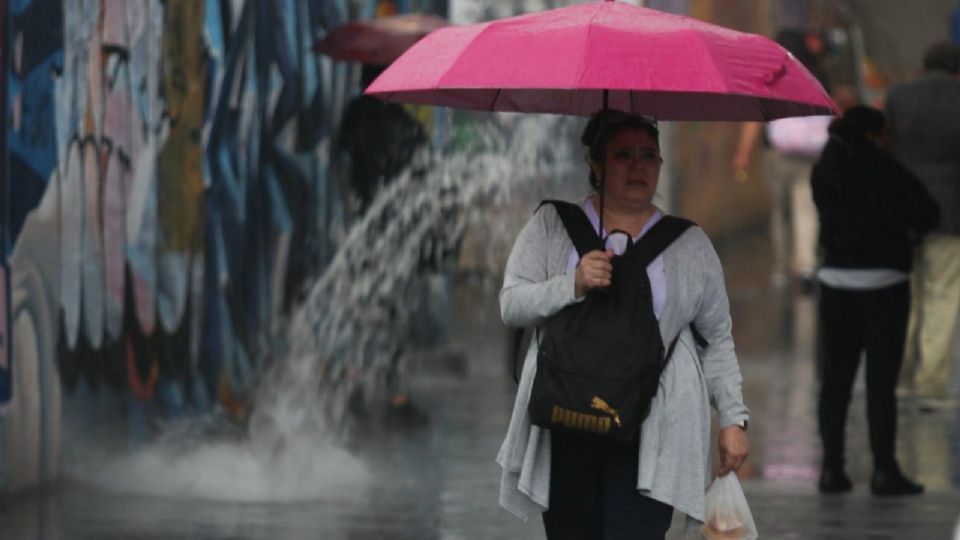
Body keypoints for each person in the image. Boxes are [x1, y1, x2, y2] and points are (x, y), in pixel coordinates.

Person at [496, 110, 750, 539]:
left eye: (649, 156)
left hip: (653, 428)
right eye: (623, 155)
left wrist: (733, 419)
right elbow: (512, 305)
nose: (638, 166)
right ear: (596, 166)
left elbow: (717, 339)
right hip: (567, 420)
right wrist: (570, 285)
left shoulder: (689, 245)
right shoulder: (552, 226)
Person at [810, 106, 939, 495]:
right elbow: (928, 213)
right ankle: (884, 470)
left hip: (836, 285)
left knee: (835, 381)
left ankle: (832, 469)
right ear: (873, 134)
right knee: (881, 384)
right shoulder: (887, 169)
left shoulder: (824, 171)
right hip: (885, 286)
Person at [732, 29, 839, 292]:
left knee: (781, 212)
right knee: (806, 208)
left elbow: (755, 119)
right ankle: (805, 265)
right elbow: (831, 113)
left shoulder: (770, 77)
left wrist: (743, 153)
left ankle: (781, 268)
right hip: (810, 155)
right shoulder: (817, 74)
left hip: (777, 155)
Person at [885, 42, 960, 405]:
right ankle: (930, 383)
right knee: (943, 294)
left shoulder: (899, 97)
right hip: (951, 214)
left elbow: (886, 152)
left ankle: (899, 376)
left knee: (905, 294)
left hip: (903, 213)